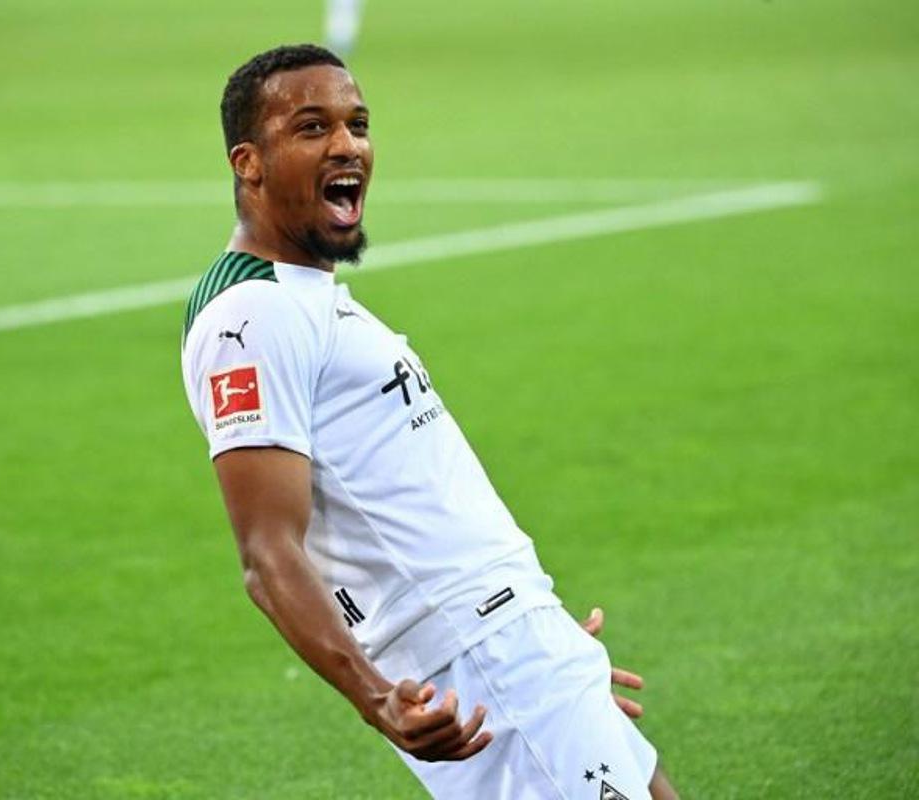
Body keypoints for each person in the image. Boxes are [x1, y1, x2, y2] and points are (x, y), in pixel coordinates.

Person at [180, 44, 679, 799]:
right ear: (248, 163)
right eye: (313, 128)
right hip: (481, 660)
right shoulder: (252, 317)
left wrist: (535, 637)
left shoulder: (305, 296)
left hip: (510, 645)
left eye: (358, 124)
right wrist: (387, 695)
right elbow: (267, 553)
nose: (348, 144)